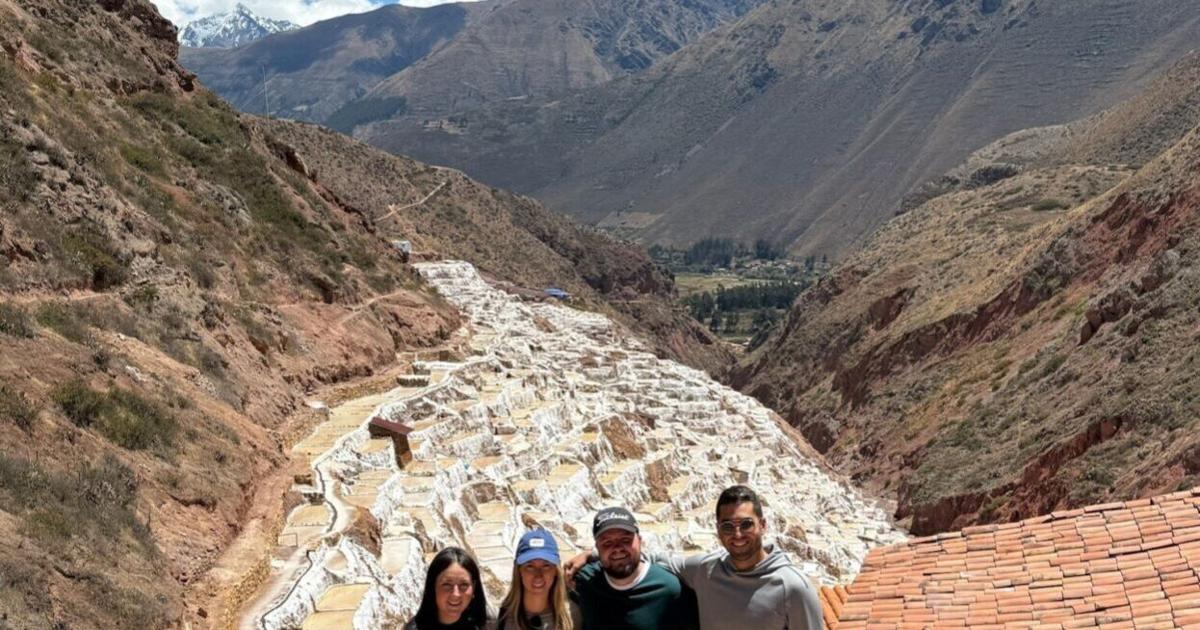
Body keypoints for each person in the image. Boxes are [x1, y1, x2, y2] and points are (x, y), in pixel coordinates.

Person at [567, 486, 824, 630]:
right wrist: (592, 555)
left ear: (763, 525)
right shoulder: (705, 570)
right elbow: (650, 557)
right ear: (718, 529)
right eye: (728, 526)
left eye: (746, 524)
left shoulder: (793, 588)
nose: (737, 534)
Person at [569, 507, 699, 630]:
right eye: (607, 543)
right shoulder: (583, 580)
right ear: (597, 547)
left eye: (625, 540)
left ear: (640, 541)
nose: (617, 548)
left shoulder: (670, 589)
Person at [490, 528, 577, 630]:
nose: (538, 574)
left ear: (555, 571)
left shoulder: (573, 616)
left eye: (546, 566)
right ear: (519, 571)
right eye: (530, 566)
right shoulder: (498, 619)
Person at [406, 546, 490, 630]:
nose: (455, 594)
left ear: (474, 587)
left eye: (464, 585)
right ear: (433, 587)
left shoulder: (489, 625)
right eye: (447, 585)